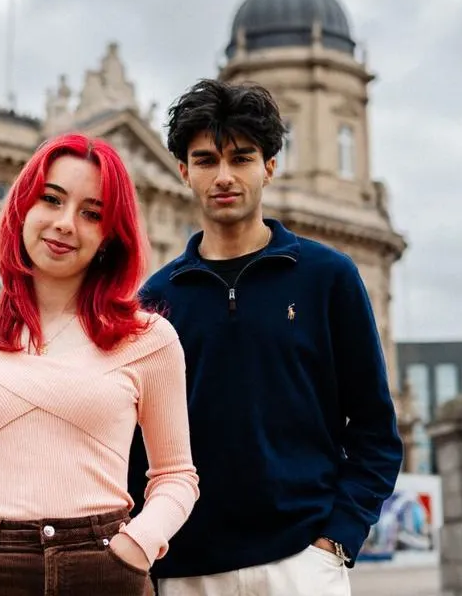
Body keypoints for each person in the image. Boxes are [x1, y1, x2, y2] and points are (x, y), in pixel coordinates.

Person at [127, 79, 403, 596]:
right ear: (184, 172)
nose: (224, 176)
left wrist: (336, 540)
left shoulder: (327, 277)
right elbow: (135, 448)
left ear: (269, 166)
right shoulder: (154, 301)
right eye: (206, 160)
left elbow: (373, 428)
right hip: (187, 569)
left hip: (302, 564)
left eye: (242, 158)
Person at [0, 133, 198, 596]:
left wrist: (137, 545)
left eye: (92, 213)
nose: (65, 223)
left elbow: (176, 475)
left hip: (105, 568)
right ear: (22, 209)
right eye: (51, 199)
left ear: (111, 237)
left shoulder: (149, 341)